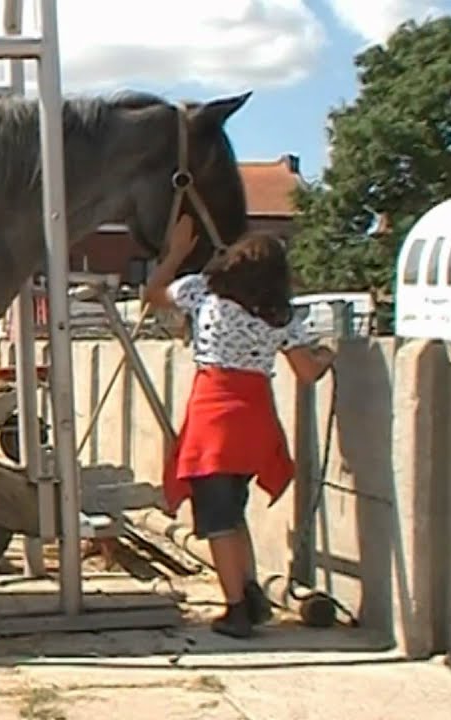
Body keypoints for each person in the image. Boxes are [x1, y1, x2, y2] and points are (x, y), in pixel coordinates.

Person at [144, 216, 336, 639]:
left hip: (212, 417)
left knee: (217, 519)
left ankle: (237, 610)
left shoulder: (204, 294)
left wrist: (175, 252)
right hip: (255, 418)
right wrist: (328, 355)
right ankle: (249, 594)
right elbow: (306, 371)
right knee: (233, 509)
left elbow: (153, 294)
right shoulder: (279, 317)